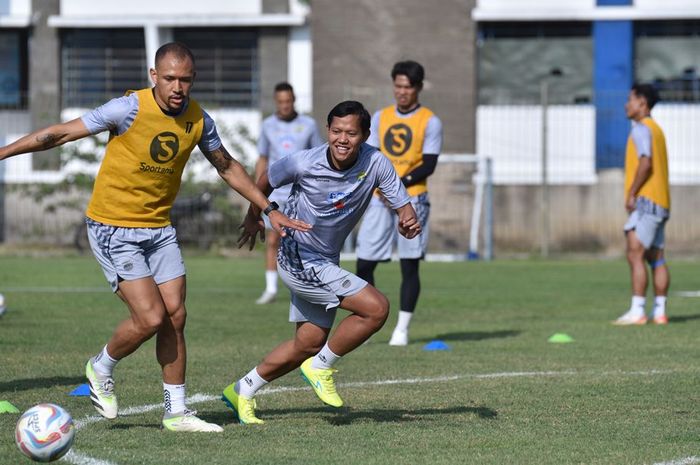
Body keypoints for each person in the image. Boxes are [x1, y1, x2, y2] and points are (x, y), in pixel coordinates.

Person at [0, 42, 310, 431]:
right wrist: (3, 152)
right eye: (169, 79)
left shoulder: (198, 120)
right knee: (149, 318)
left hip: (159, 229)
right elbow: (59, 135)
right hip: (114, 227)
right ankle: (100, 366)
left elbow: (227, 166)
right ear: (153, 77)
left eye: (185, 79)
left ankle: (176, 413)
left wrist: (266, 209)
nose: (178, 87)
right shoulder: (127, 108)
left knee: (175, 316)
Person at [222, 100, 421, 424]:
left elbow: (405, 208)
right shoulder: (303, 162)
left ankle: (242, 389)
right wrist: (252, 217)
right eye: (337, 131)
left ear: (365, 135)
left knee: (308, 342)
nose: (343, 139)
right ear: (327, 131)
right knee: (376, 308)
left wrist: (408, 223)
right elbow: (264, 181)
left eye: (351, 133)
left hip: (325, 259)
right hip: (298, 257)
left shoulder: (376, 164)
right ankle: (320, 367)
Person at [355, 60, 443, 346]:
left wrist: (396, 185)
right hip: (380, 200)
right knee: (364, 262)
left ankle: (401, 330)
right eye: (398, 86)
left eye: (408, 87)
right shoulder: (380, 117)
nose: (402, 92)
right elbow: (373, 155)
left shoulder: (430, 121)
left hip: (413, 199)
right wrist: (382, 186)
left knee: (409, 264)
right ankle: (368, 319)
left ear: (418, 88)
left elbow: (428, 164)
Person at [254, 82, 323, 304]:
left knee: (305, 237)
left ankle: (308, 284)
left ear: (294, 101)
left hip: (302, 192)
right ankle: (271, 289)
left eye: (289, 101)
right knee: (273, 239)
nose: (285, 105)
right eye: (281, 102)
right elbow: (263, 158)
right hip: (275, 193)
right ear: (276, 102)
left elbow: (318, 156)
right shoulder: (267, 126)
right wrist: (258, 189)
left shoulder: (309, 125)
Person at [614, 83, 670, 326]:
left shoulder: (640, 129)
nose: (627, 105)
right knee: (656, 258)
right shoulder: (657, 129)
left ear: (642, 103)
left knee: (634, 254)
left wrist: (632, 193)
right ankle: (660, 312)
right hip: (662, 201)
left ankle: (637, 311)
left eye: (631, 99)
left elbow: (645, 163)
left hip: (646, 201)